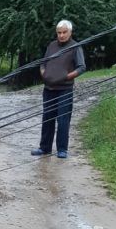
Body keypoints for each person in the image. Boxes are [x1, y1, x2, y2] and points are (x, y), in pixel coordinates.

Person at [32, 19, 86, 159]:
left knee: (63, 120)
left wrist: (66, 77)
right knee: (47, 118)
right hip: (48, 88)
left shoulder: (75, 47)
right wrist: (44, 73)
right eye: (59, 33)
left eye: (64, 32)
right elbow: (43, 63)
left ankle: (62, 149)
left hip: (64, 89)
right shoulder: (51, 46)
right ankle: (45, 148)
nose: (61, 35)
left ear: (70, 32)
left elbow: (81, 67)